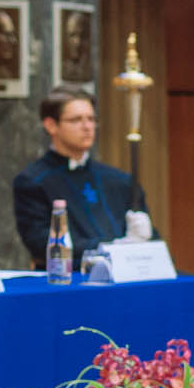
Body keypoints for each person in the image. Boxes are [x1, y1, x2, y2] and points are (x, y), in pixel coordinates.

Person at [11, 88, 155, 267]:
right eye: (76, 120)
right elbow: (41, 243)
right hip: (70, 277)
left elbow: (149, 238)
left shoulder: (121, 181)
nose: (87, 127)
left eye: (91, 119)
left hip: (126, 273)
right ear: (51, 125)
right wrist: (113, 249)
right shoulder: (33, 181)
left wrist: (144, 240)